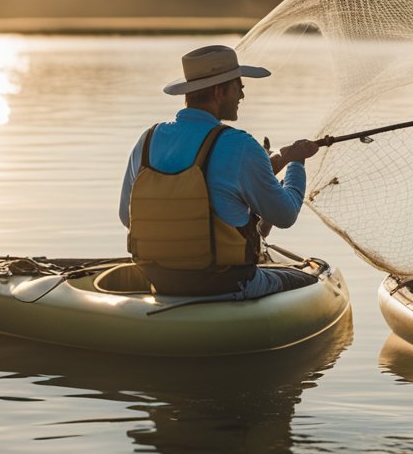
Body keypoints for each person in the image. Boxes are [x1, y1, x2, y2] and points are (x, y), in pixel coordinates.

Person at [119, 45, 320, 298]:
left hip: (159, 281)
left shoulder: (146, 140)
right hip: (226, 284)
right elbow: (286, 214)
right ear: (219, 91)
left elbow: (127, 217)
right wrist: (297, 163)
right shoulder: (241, 144)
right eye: (239, 86)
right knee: (317, 278)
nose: (242, 95)